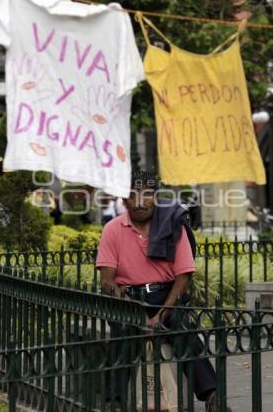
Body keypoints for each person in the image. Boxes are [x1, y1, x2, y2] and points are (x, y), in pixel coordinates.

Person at [96, 171, 231, 412]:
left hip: (165, 296)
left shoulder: (173, 226)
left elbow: (183, 277)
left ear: (156, 197)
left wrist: (160, 316)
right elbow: (107, 282)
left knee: (184, 331)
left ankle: (212, 396)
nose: (140, 201)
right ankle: (112, 402)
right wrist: (137, 314)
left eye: (147, 194)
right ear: (124, 200)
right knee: (123, 335)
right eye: (132, 195)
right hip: (128, 298)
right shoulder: (112, 229)